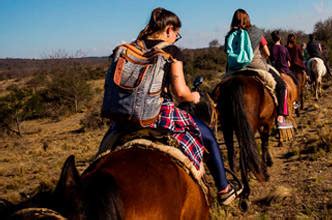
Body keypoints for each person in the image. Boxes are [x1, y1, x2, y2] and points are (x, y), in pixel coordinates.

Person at [98, 7, 242, 205]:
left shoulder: (127, 48)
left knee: (103, 153)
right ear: (168, 29)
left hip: (123, 119)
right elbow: (180, 93)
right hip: (157, 115)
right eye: (177, 34)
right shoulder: (171, 51)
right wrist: (195, 96)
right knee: (207, 137)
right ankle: (224, 189)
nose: (176, 38)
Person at [225, 9, 292, 128]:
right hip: (256, 66)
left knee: (219, 93)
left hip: (234, 69)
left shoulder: (229, 35)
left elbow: (228, 53)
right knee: (282, 86)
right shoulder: (256, 32)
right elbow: (267, 53)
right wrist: (261, 59)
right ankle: (280, 117)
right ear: (248, 19)